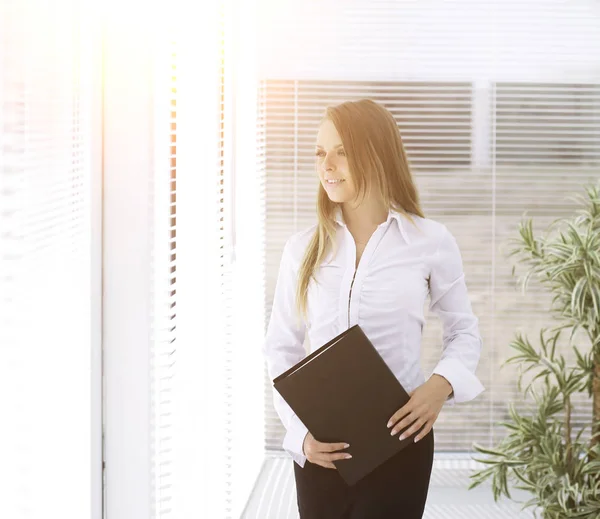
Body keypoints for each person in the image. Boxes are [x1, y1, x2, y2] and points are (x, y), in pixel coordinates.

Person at [262, 99, 485, 518]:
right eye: (319, 152)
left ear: (377, 152)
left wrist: (439, 387)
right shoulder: (301, 249)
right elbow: (281, 347)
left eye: (341, 150)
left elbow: (464, 332)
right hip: (320, 450)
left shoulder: (429, 241)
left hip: (398, 445)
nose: (326, 164)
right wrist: (300, 436)